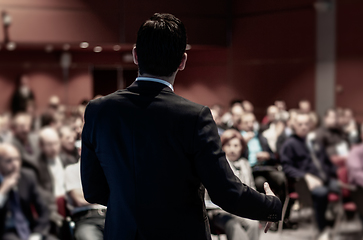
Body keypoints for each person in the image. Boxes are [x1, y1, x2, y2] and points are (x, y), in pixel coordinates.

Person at [81, 13, 281, 240]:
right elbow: (225, 192)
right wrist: (270, 206)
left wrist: (131, 205)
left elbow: (93, 190)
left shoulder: (98, 110)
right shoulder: (195, 117)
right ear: (183, 61)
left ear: (136, 55)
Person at [280, 112, 339, 240]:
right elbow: (287, 168)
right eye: (300, 124)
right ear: (294, 125)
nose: (304, 127)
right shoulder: (289, 144)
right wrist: (306, 176)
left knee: (349, 189)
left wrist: (338, 174)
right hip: (303, 183)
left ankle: (336, 222)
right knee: (321, 193)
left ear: (311, 125)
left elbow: (328, 163)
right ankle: (322, 229)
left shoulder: (315, 142)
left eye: (306, 124)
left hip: (325, 179)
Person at [0, 144, 51, 240]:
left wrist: (37, 234)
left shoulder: (28, 176)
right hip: (5, 231)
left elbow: (43, 210)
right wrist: (2, 191)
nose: (15, 164)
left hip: (31, 229)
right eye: (9, 161)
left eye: (17, 159)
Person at [207, 129, 259, 240]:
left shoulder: (245, 164)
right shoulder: (218, 165)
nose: (232, 149)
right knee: (234, 226)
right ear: (222, 147)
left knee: (254, 224)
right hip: (220, 210)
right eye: (228, 145)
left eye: (236, 145)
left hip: (243, 209)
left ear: (242, 147)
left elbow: (252, 188)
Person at [65, 161, 106, 240]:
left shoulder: (107, 167)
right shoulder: (71, 169)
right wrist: (107, 197)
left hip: (111, 216)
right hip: (87, 219)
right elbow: (79, 200)